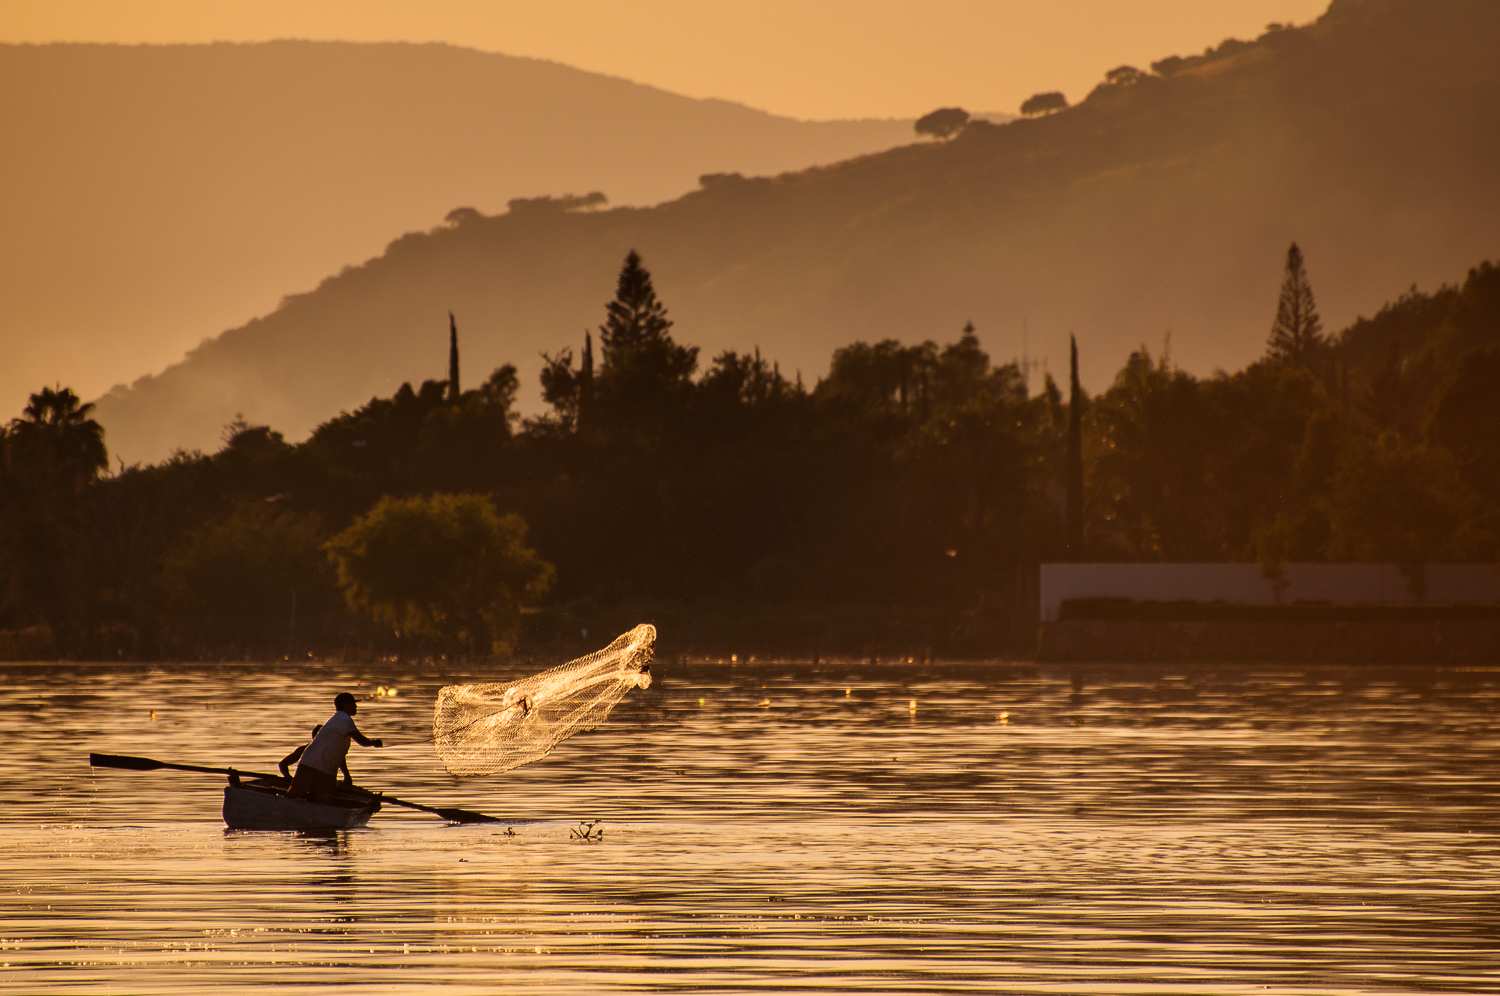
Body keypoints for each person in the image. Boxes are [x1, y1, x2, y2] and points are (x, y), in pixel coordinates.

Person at [286, 692, 384, 803]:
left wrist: (346, 775)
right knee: (303, 797)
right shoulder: (344, 719)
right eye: (353, 704)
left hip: (318, 766)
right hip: (315, 765)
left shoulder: (338, 720)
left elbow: (339, 755)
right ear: (346, 705)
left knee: (310, 799)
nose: (356, 707)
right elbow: (362, 741)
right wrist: (374, 742)